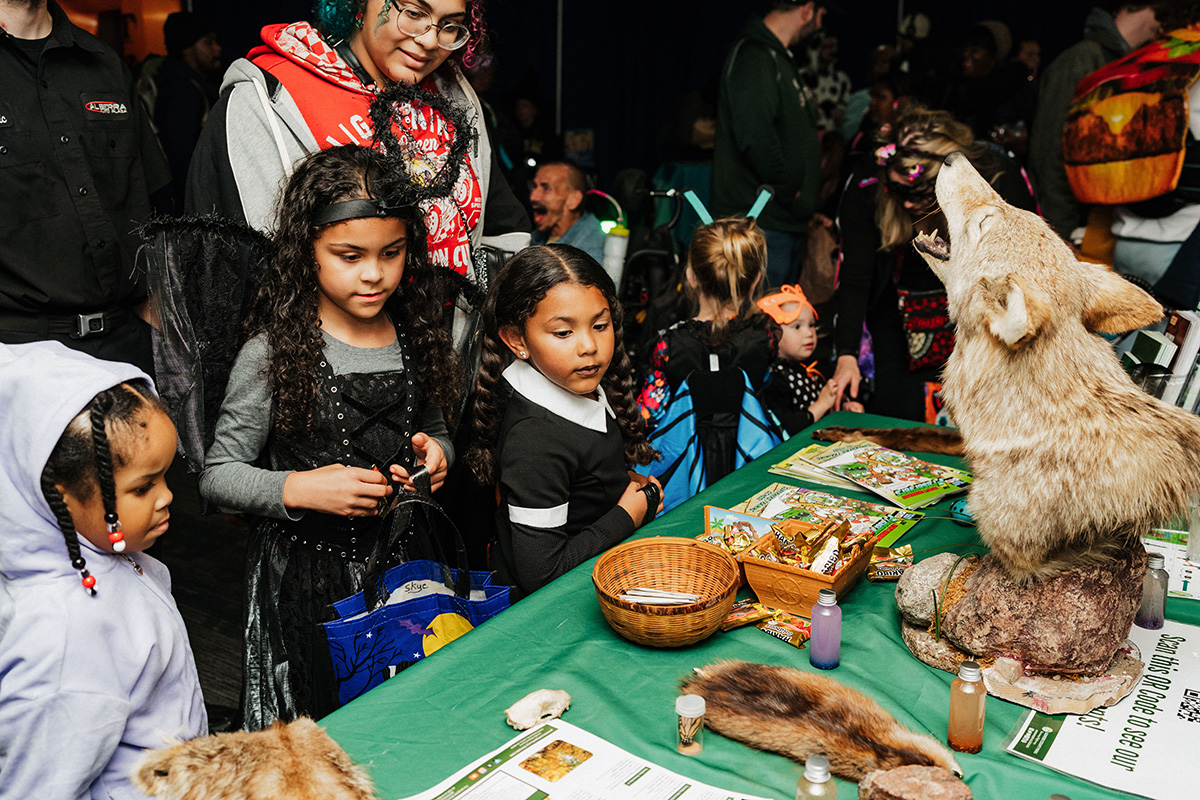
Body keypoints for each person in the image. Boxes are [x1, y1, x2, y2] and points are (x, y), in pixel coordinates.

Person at [197, 146, 457, 729]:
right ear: (306, 252)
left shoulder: (415, 335)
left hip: (406, 564)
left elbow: (436, 430)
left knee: (407, 716)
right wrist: (301, 488)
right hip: (308, 578)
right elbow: (218, 476)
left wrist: (437, 456)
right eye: (349, 255)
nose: (374, 273)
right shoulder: (272, 351)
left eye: (392, 253)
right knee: (325, 726)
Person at [186, 0, 530, 366]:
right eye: (414, 14)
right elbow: (226, 277)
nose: (431, 40)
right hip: (325, 373)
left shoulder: (453, 96)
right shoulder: (268, 101)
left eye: (450, 25)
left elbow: (500, 229)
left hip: (448, 364)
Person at [0, 341, 206, 800]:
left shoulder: (108, 559)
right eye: (143, 487)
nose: (167, 496)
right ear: (63, 496)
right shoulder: (67, 636)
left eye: (166, 476)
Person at [466, 245, 661, 599]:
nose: (589, 346)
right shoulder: (535, 439)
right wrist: (627, 515)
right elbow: (541, 572)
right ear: (516, 340)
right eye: (563, 333)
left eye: (600, 325)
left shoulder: (580, 386)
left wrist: (618, 486)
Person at [830, 108, 1037, 422]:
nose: (910, 204)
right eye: (898, 191)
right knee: (899, 413)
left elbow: (1029, 265)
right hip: (897, 309)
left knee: (984, 413)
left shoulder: (999, 175)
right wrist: (846, 354)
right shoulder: (866, 183)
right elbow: (855, 278)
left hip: (981, 306)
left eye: (922, 193)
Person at [0, 0, 171, 376]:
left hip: (126, 344)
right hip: (19, 353)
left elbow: (156, 203)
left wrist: (158, 317)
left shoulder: (103, 63)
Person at [636, 217, 782, 510]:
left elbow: (648, 414)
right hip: (751, 463)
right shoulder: (764, 335)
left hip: (684, 474)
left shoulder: (669, 344)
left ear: (691, 276)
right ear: (754, 279)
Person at [712, 0, 828, 287]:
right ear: (807, 10)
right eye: (821, 15)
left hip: (779, 223)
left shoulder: (780, 58)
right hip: (759, 226)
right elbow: (755, 137)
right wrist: (790, 191)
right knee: (757, 324)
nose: (821, 25)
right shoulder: (755, 56)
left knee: (777, 327)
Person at [1028, 1, 1164, 242]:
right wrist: (1061, 234)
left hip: (1102, 229)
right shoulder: (1080, 62)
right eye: (1167, 12)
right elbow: (1048, 156)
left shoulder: (1130, 64)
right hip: (1070, 231)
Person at [757, 285, 861, 435]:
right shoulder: (773, 379)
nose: (809, 333)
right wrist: (823, 403)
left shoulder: (809, 368)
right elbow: (786, 430)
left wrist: (844, 406)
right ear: (772, 333)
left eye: (811, 325)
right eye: (797, 326)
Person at [153, 12, 222, 209]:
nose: (217, 49)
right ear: (188, 48)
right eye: (209, 42)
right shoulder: (182, 91)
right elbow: (182, 159)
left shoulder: (191, 85)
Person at [529, 161, 607, 262]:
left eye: (546, 188)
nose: (533, 197)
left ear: (573, 200)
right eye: (534, 186)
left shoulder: (591, 249)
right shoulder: (537, 237)